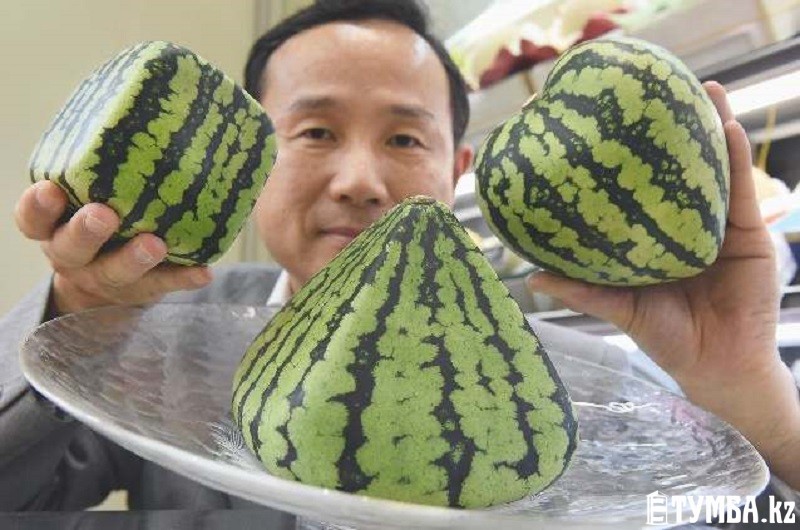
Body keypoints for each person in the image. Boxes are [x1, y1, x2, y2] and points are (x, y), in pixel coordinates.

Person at [2, 0, 798, 519]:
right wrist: (76, 315)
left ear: (458, 168)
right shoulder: (155, 340)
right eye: (315, 132)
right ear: (252, 162)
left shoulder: (595, 390)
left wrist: (743, 385)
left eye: (406, 138)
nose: (360, 181)